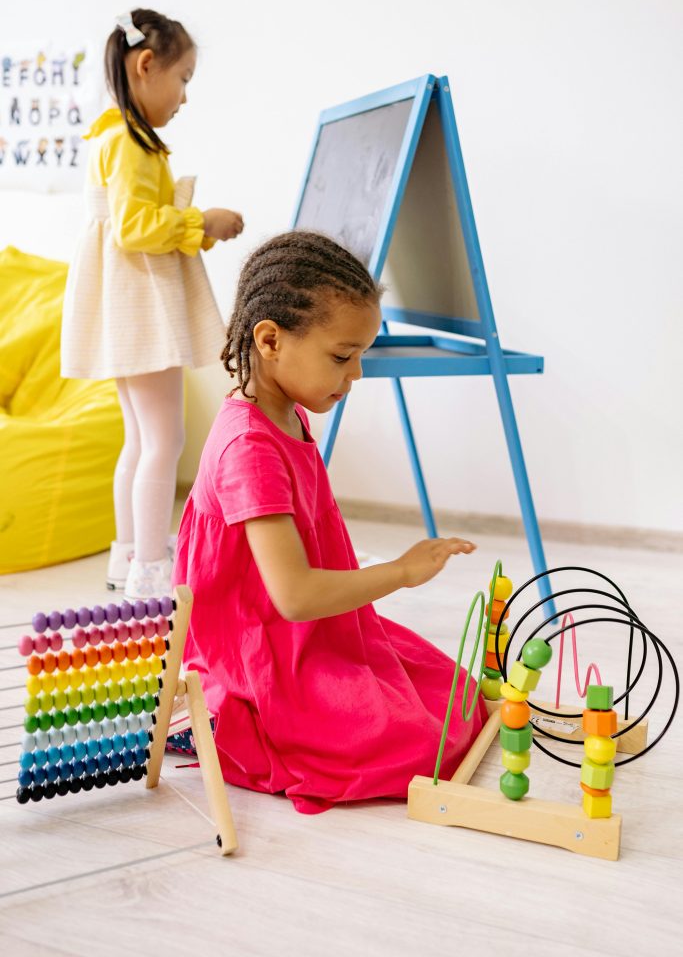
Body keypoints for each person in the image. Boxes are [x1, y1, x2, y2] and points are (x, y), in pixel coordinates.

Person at [172, 230, 486, 814]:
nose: (358, 373)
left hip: (315, 634)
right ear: (270, 340)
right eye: (343, 356)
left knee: (457, 699)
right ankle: (215, 722)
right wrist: (400, 572)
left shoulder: (285, 412)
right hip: (263, 659)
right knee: (419, 746)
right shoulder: (250, 448)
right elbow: (292, 596)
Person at [61, 8, 244, 600]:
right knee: (165, 440)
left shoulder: (111, 137)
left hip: (122, 311)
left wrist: (195, 227)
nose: (186, 96)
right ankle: (149, 567)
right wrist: (202, 220)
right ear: (147, 67)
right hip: (141, 312)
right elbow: (137, 228)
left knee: (140, 440)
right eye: (184, 78)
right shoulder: (134, 144)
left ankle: (128, 555)